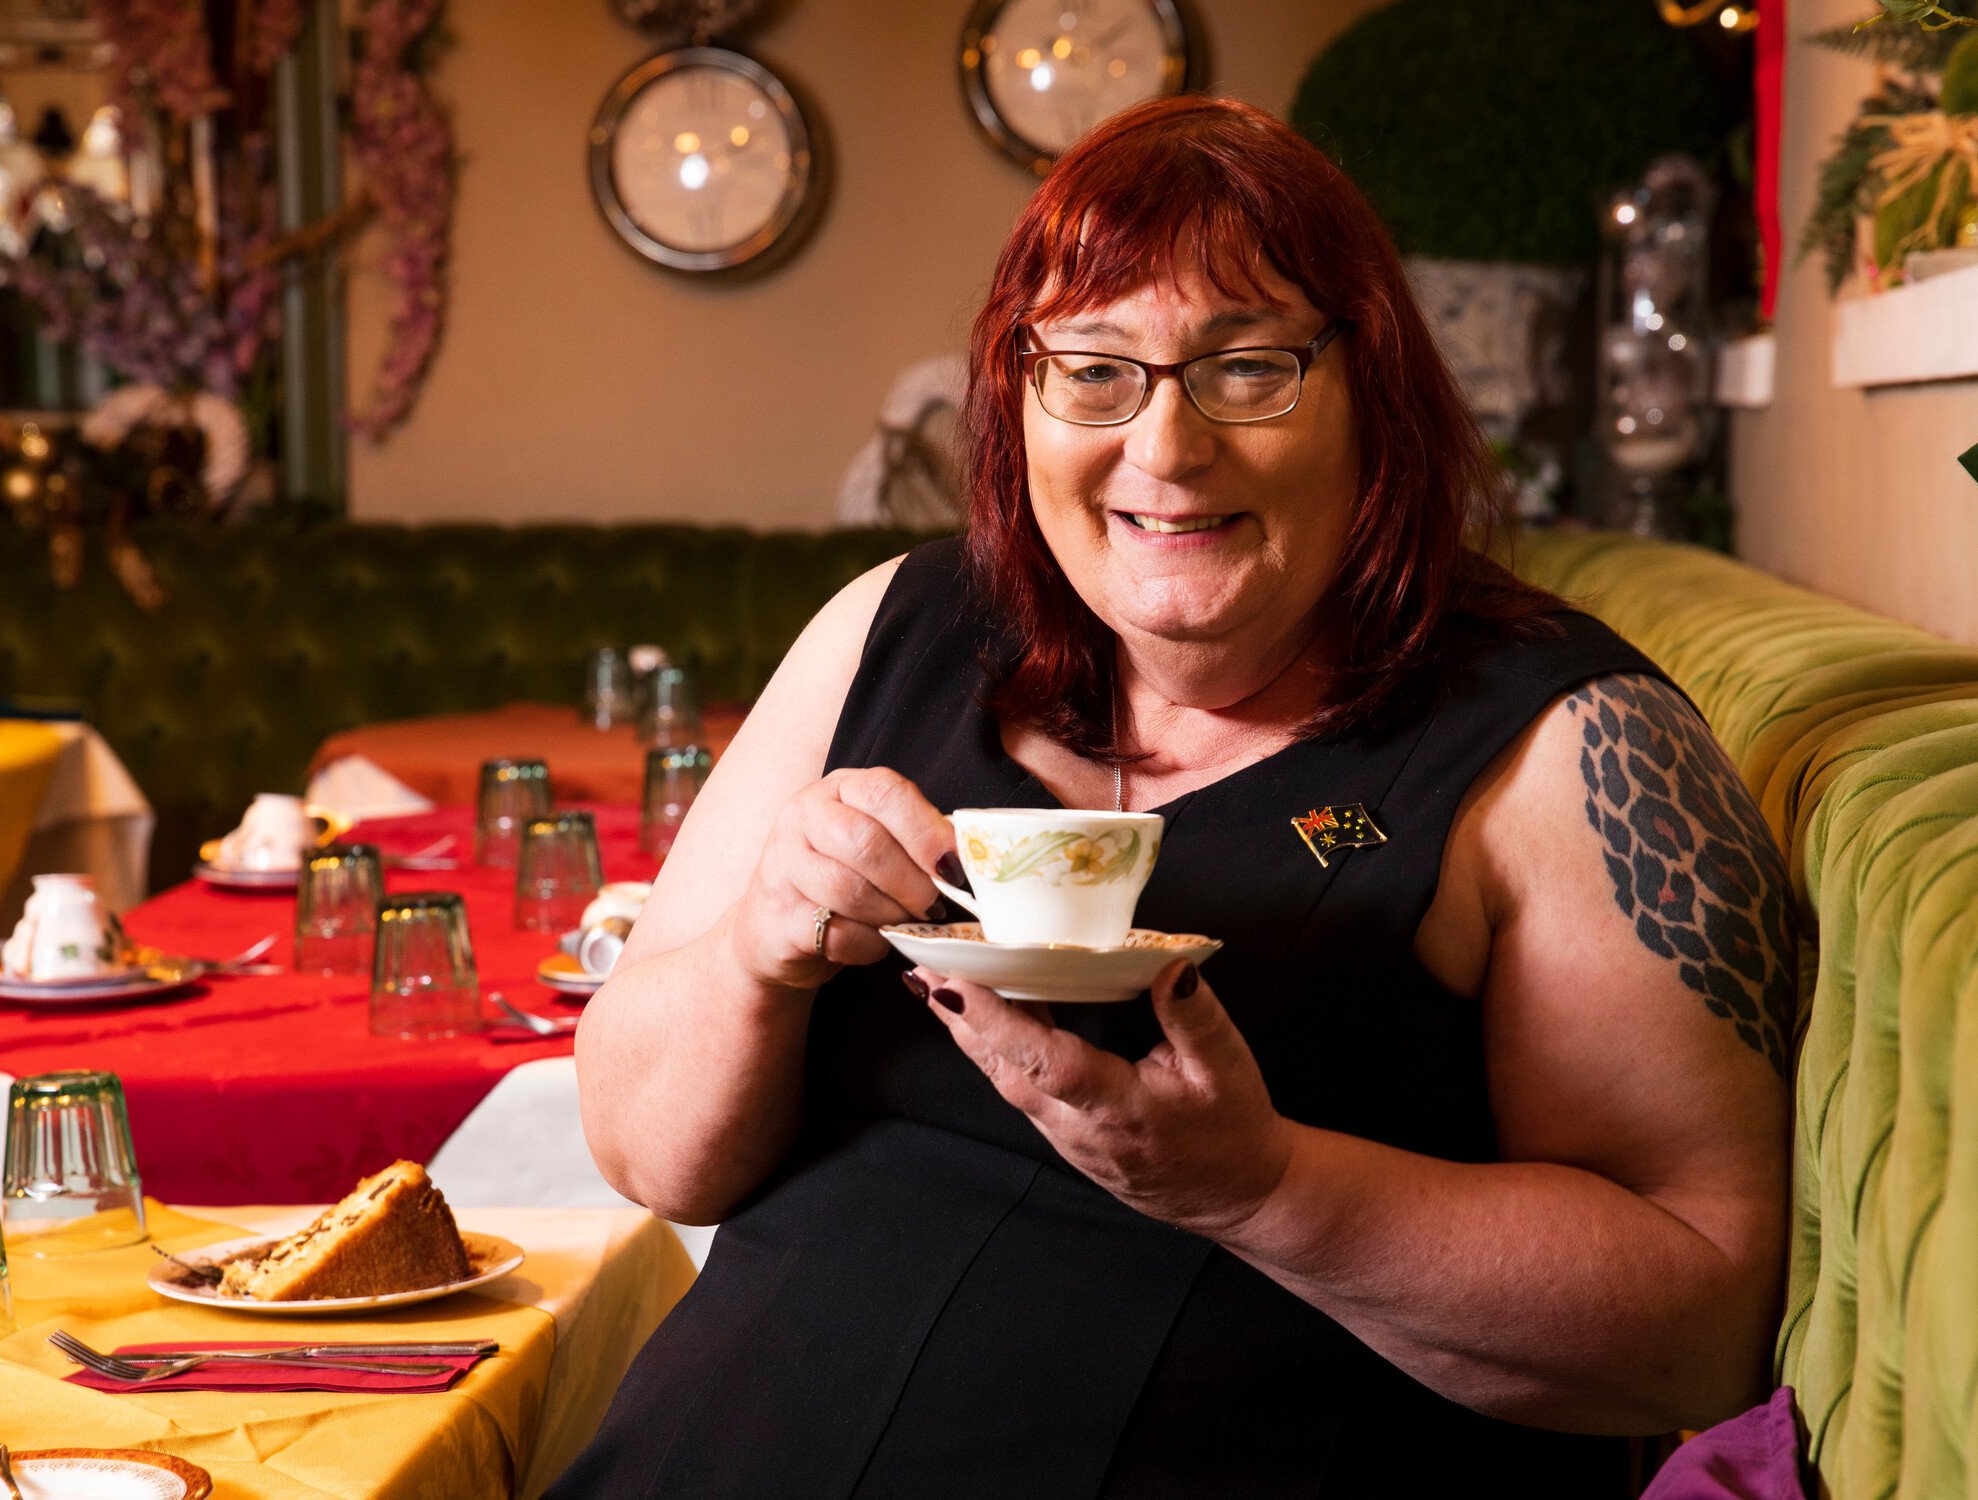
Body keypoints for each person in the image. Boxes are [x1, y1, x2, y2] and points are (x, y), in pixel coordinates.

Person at [556, 95, 1796, 1497]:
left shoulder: (1567, 745)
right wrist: (756, 954)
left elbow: (1697, 1323)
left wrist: (1262, 1188)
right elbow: (646, 1154)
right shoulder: (891, 628)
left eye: (1247, 368)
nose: (1163, 447)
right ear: (1015, 399)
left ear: (1369, 396)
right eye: (1092, 372)